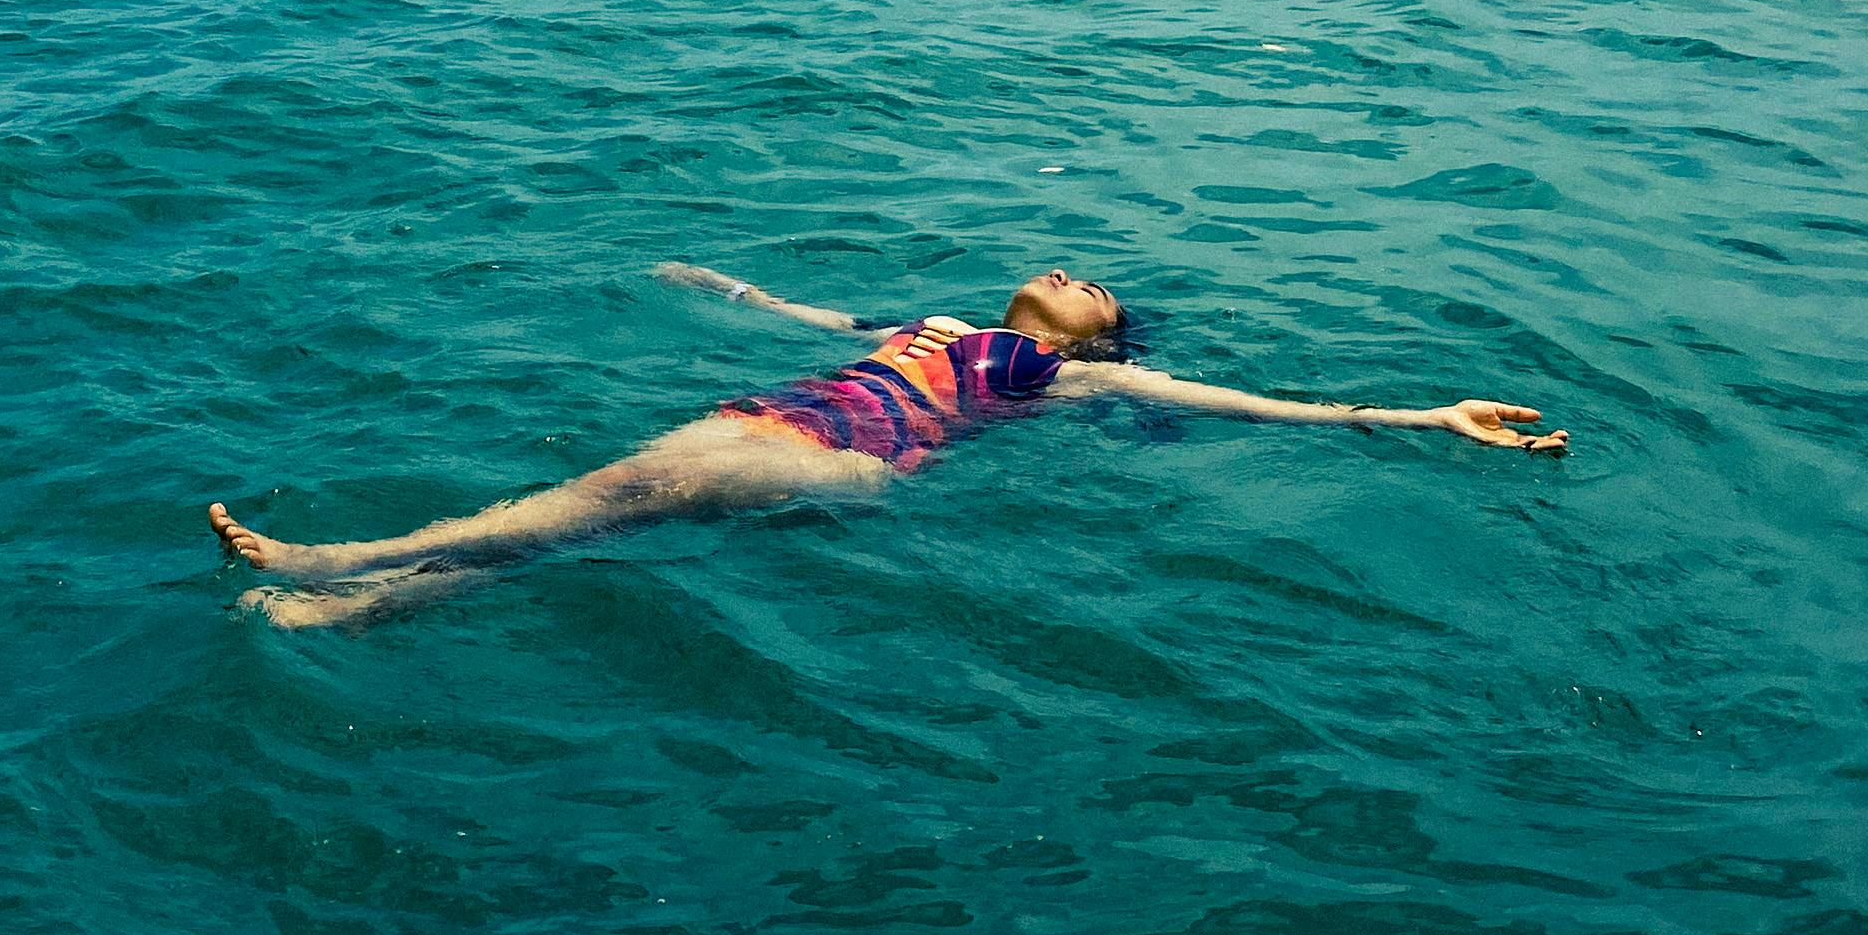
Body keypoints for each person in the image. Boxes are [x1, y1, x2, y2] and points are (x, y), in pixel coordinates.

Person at [205, 260, 1568, 629]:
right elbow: (809, 312)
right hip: (778, 428)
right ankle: (365, 608)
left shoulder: (1064, 378)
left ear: (1097, 341)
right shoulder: (931, 318)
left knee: (600, 496)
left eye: (1097, 290)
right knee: (596, 524)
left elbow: (1249, 407)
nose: (1075, 274)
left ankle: (337, 554)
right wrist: (715, 290)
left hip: (836, 464)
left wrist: (1419, 414)